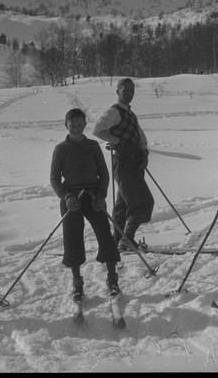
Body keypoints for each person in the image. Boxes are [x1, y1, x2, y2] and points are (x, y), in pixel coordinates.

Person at [50, 108, 121, 301]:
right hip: (72, 199)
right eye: (72, 125)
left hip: (92, 196)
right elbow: (55, 179)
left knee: (105, 235)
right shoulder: (60, 149)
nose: (76, 129)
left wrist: (101, 195)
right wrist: (66, 197)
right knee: (72, 238)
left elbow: (104, 174)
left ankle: (112, 279)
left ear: (84, 125)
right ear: (66, 125)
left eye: (80, 125)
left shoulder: (93, 146)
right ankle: (77, 282)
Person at [93, 78, 153, 251]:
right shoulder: (115, 112)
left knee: (123, 205)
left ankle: (117, 241)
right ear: (117, 91)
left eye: (132, 90)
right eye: (125, 90)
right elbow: (98, 129)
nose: (129, 93)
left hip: (135, 161)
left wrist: (144, 154)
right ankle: (127, 239)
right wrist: (117, 141)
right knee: (144, 202)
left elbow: (141, 138)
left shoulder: (130, 114)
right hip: (124, 161)